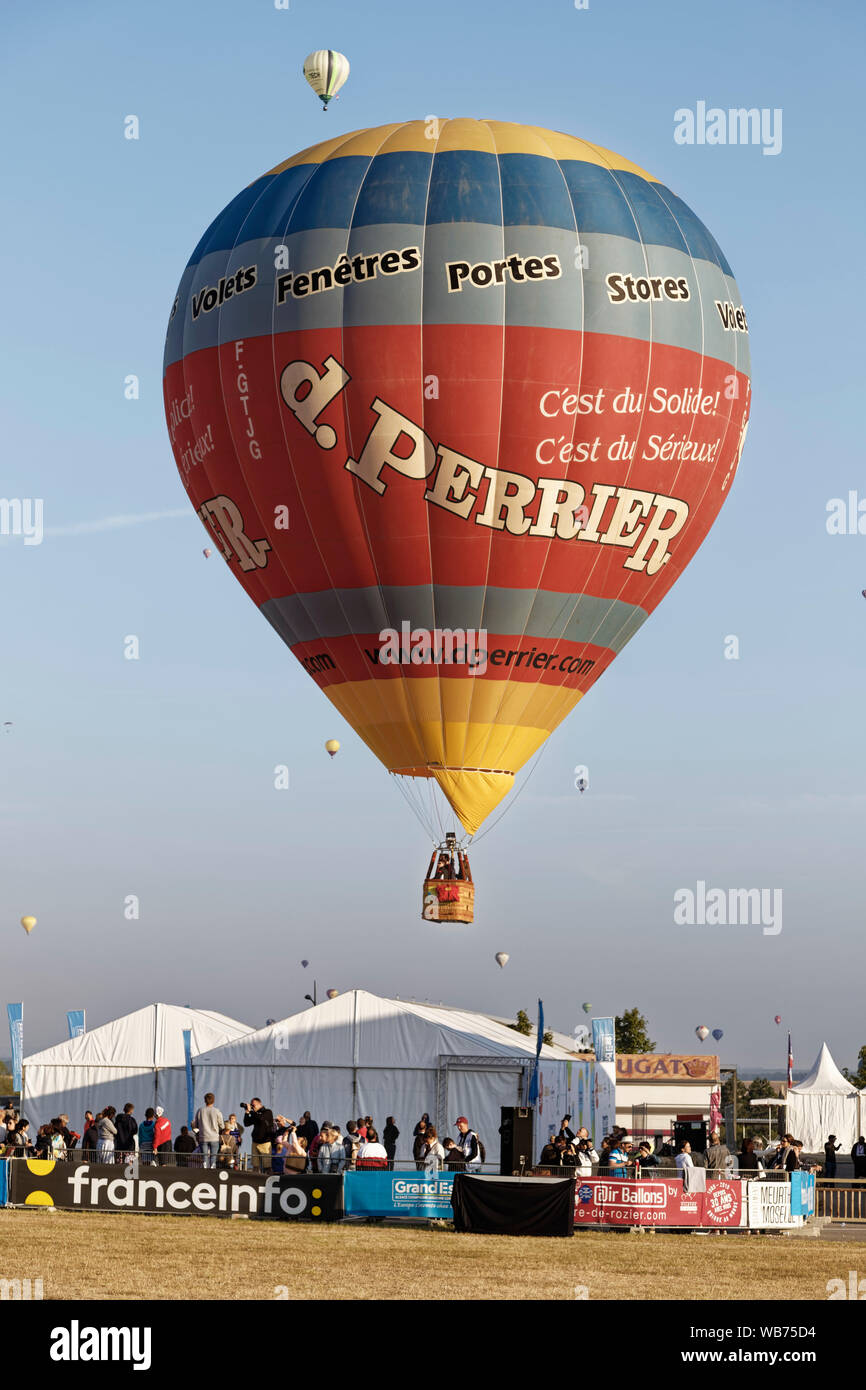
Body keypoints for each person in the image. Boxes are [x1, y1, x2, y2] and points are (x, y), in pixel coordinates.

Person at [194, 1093, 224, 1170]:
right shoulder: (217, 1111)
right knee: (213, 1158)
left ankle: (205, 1173)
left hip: (203, 1137)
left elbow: (196, 1125)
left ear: (205, 1100)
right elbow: (222, 1126)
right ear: (213, 1100)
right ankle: (212, 1174)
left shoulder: (200, 1111)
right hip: (214, 1137)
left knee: (205, 1158)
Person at [243, 1098, 275, 1171]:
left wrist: (251, 1111)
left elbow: (261, 1119)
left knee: (267, 1166)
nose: (252, 1106)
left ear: (259, 1104)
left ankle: (269, 1180)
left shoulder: (268, 1112)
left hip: (265, 1142)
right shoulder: (255, 1114)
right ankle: (255, 1181)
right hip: (255, 1142)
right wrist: (247, 1113)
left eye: (253, 1105)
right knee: (255, 1166)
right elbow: (246, 1123)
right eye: (251, 1105)